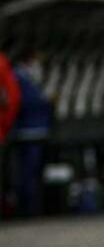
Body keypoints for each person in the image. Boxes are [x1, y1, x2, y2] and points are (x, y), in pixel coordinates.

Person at [11, 48, 51, 216]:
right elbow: (26, 102)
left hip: (35, 129)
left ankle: (30, 205)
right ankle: (26, 207)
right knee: (27, 170)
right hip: (28, 130)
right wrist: (45, 101)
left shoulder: (27, 78)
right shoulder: (21, 78)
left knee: (31, 170)